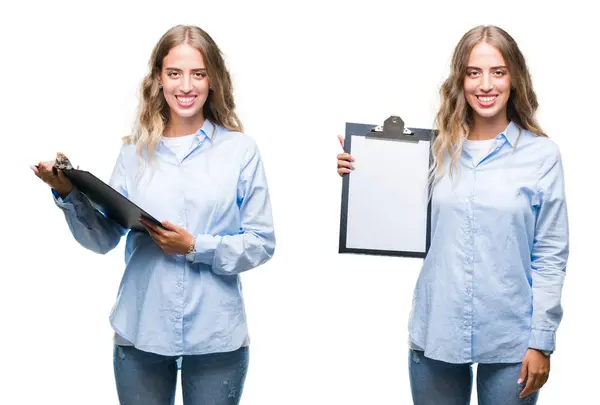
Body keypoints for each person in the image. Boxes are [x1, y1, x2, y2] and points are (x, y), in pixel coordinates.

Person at [31, 25, 275, 405]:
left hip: (216, 334)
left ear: (214, 80)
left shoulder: (241, 151)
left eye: (198, 73)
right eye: (174, 73)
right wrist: (67, 192)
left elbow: (261, 244)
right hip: (141, 328)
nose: (186, 86)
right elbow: (103, 239)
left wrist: (195, 246)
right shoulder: (133, 153)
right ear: (158, 79)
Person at [336, 25, 568, 404]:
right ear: (460, 79)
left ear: (515, 79)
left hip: (512, 337)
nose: (485, 84)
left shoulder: (542, 156)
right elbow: (389, 207)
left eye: (498, 71)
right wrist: (363, 171)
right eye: (474, 72)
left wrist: (542, 341)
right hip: (437, 328)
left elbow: (551, 255)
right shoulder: (434, 150)